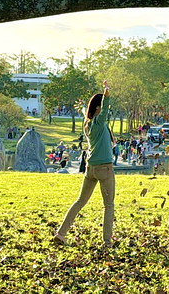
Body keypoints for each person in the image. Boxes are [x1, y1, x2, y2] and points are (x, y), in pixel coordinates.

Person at [53, 80, 115, 249]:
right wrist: (107, 94)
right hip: (104, 168)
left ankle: (61, 234)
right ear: (97, 108)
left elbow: (86, 112)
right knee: (109, 205)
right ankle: (107, 243)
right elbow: (104, 108)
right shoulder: (98, 122)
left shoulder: (88, 125)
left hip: (91, 168)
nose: (104, 110)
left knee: (80, 201)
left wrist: (82, 106)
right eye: (101, 106)